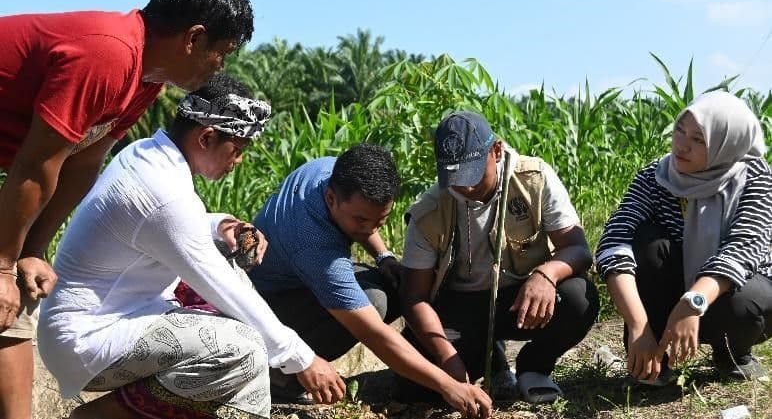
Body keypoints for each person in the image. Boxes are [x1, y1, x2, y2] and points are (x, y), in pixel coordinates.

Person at [0, 0, 254, 417]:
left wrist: (30, 253)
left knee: (13, 301)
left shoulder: (144, 82)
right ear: (193, 39)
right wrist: (4, 264)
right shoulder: (108, 54)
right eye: (222, 53)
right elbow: (35, 164)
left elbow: (81, 163)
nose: (221, 68)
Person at [37, 74, 345, 419]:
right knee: (240, 348)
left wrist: (222, 225)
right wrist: (302, 358)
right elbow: (218, 282)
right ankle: (101, 415)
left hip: (125, 315)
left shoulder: (149, 156)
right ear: (207, 137)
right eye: (237, 150)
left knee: (246, 344)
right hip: (88, 336)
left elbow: (170, 225)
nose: (238, 161)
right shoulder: (161, 191)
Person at [248, 144, 493, 418]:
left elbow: (366, 220)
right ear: (331, 198)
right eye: (361, 220)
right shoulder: (314, 244)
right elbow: (374, 334)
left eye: (381, 220)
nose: (371, 229)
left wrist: (384, 257)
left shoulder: (332, 171)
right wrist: (448, 386)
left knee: (394, 282)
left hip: (295, 276)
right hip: (268, 306)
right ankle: (283, 376)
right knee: (374, 302)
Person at [399, 111, 599, 404]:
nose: (465, 188)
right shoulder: (429, 211)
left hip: (521, 300)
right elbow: (414, 297)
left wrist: (547, 274)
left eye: (472, 176)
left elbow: (578, 249)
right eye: (455, 179)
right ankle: (487, 360)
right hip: (459, 309)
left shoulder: (534, 178)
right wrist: (448, 363)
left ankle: (533, 368)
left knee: (579, 298)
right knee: (412, 386)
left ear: (496, 151)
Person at [596, 91, 772, 385]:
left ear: (725, 143)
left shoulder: (754, 177)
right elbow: (615, 238)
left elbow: (742, 249)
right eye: (680, 130)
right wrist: (638, 325)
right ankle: (653, 360)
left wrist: (692, 302)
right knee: (648, 243)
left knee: (742, 307)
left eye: (698, 139)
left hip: (733, 290)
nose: (681, 145)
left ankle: (732, 354)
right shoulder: (657, 175)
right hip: (676, 285)